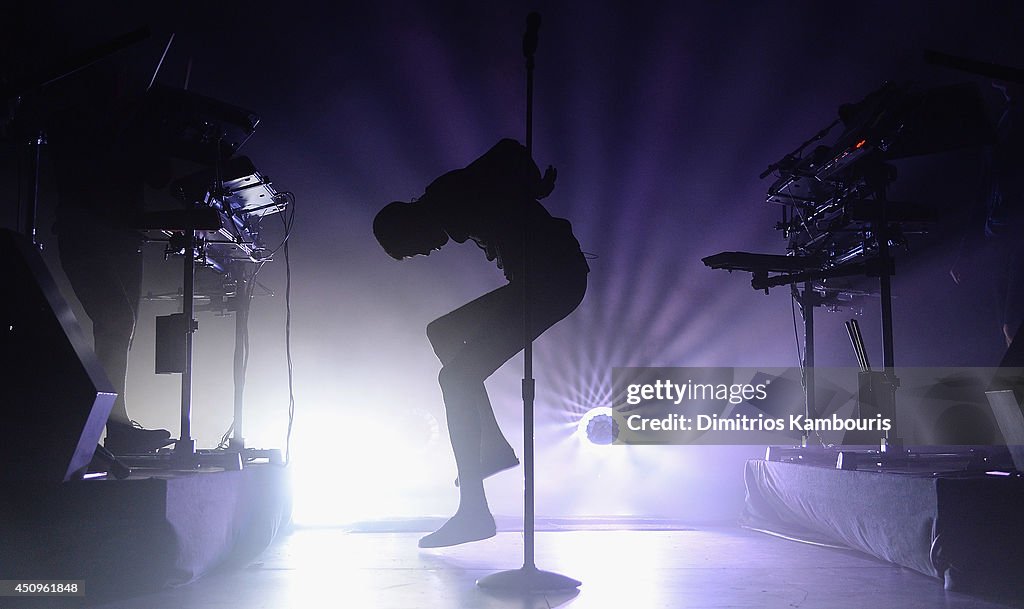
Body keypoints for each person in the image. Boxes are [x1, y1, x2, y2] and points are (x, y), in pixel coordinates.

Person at [373, 139, 589, 548]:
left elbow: (508, 149)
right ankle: (488, 446)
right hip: (541, 282)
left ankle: (474, 508)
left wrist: (533, 187)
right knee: (443, 336)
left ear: (411, 224)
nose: (429, 251)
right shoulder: (452, 204)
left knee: (455, 377)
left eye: (415, 248)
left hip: (553, 282)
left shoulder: (448, 194)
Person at [47, 60, 173, 454]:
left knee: (120, 331)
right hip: (85, 236)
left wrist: (152, 134)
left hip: (123, 238)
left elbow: (159, 174)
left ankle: (115, 429)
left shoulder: (135, 125)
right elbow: (78, 177)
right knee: (116, 321)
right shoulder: (74, 122)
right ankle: (95, 429)